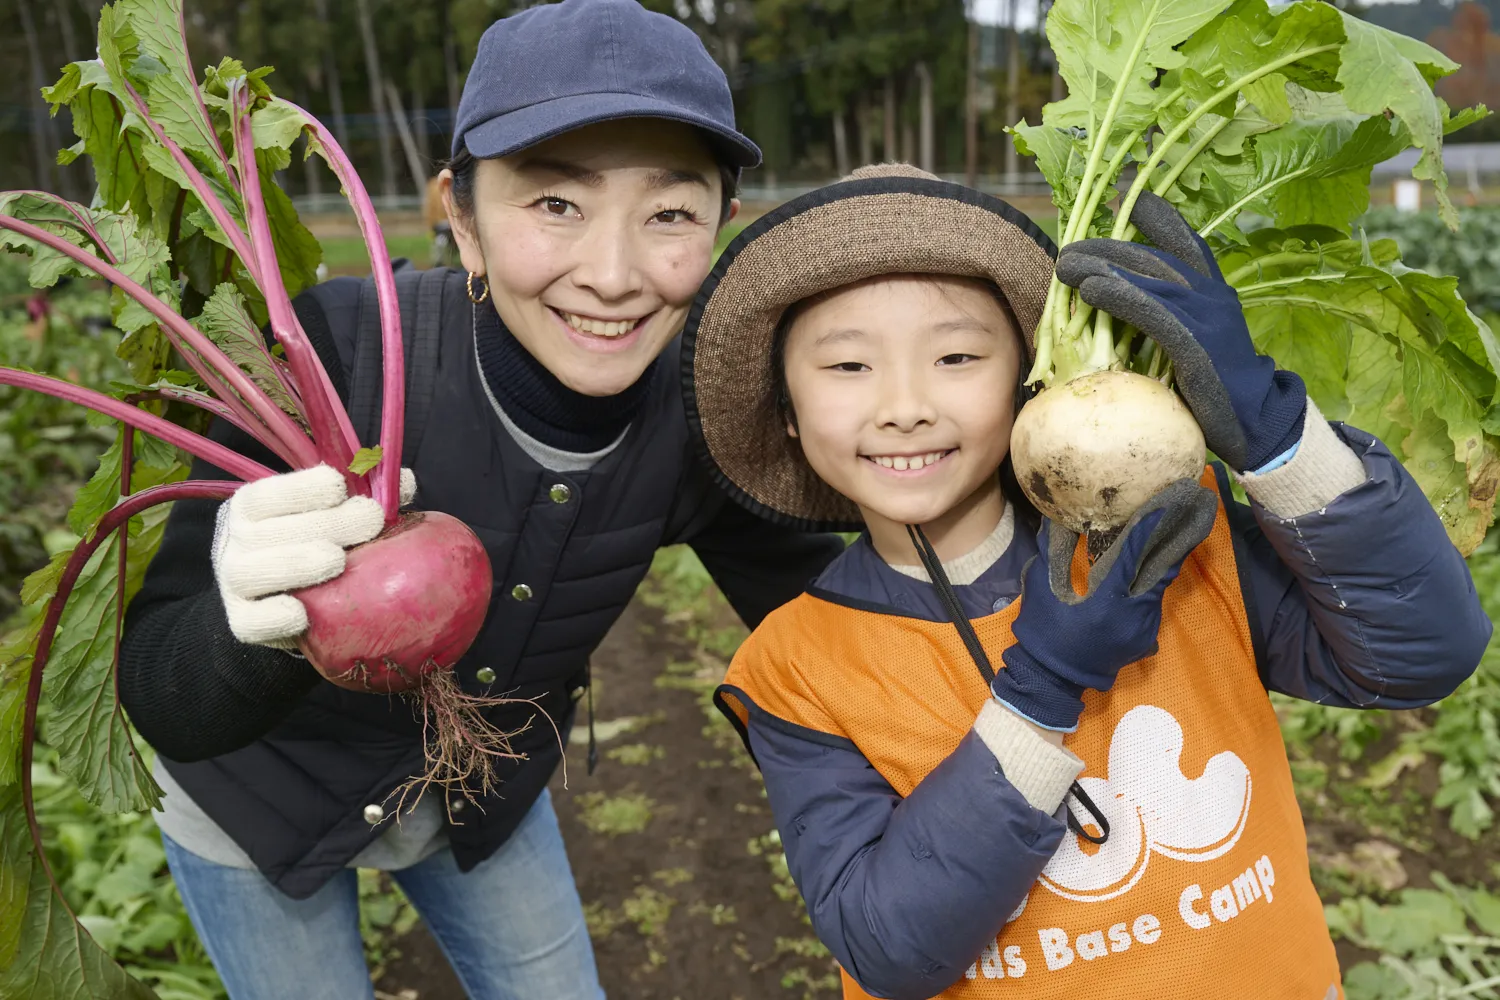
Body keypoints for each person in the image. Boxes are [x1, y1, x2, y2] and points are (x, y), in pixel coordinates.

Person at [117, 3, 842, 998]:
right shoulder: (324, 357)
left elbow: (831, 609)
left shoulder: (699, 417)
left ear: (722, 226)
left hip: (481, 789)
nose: (615, 274)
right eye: (555, 205)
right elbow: (162, 688)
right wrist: (250, 622)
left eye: (671, 213)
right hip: (257, 803)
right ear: (459, 216)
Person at [683, 163, 1491, 1000]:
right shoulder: (796, 668)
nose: (905, 406)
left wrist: (1275, 433)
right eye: (848, 368)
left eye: (957, 356)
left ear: (1029, 380)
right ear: (786, 409)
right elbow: (889, 948)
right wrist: (1040, 690)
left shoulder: (1178, 543)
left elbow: (1421, 653)